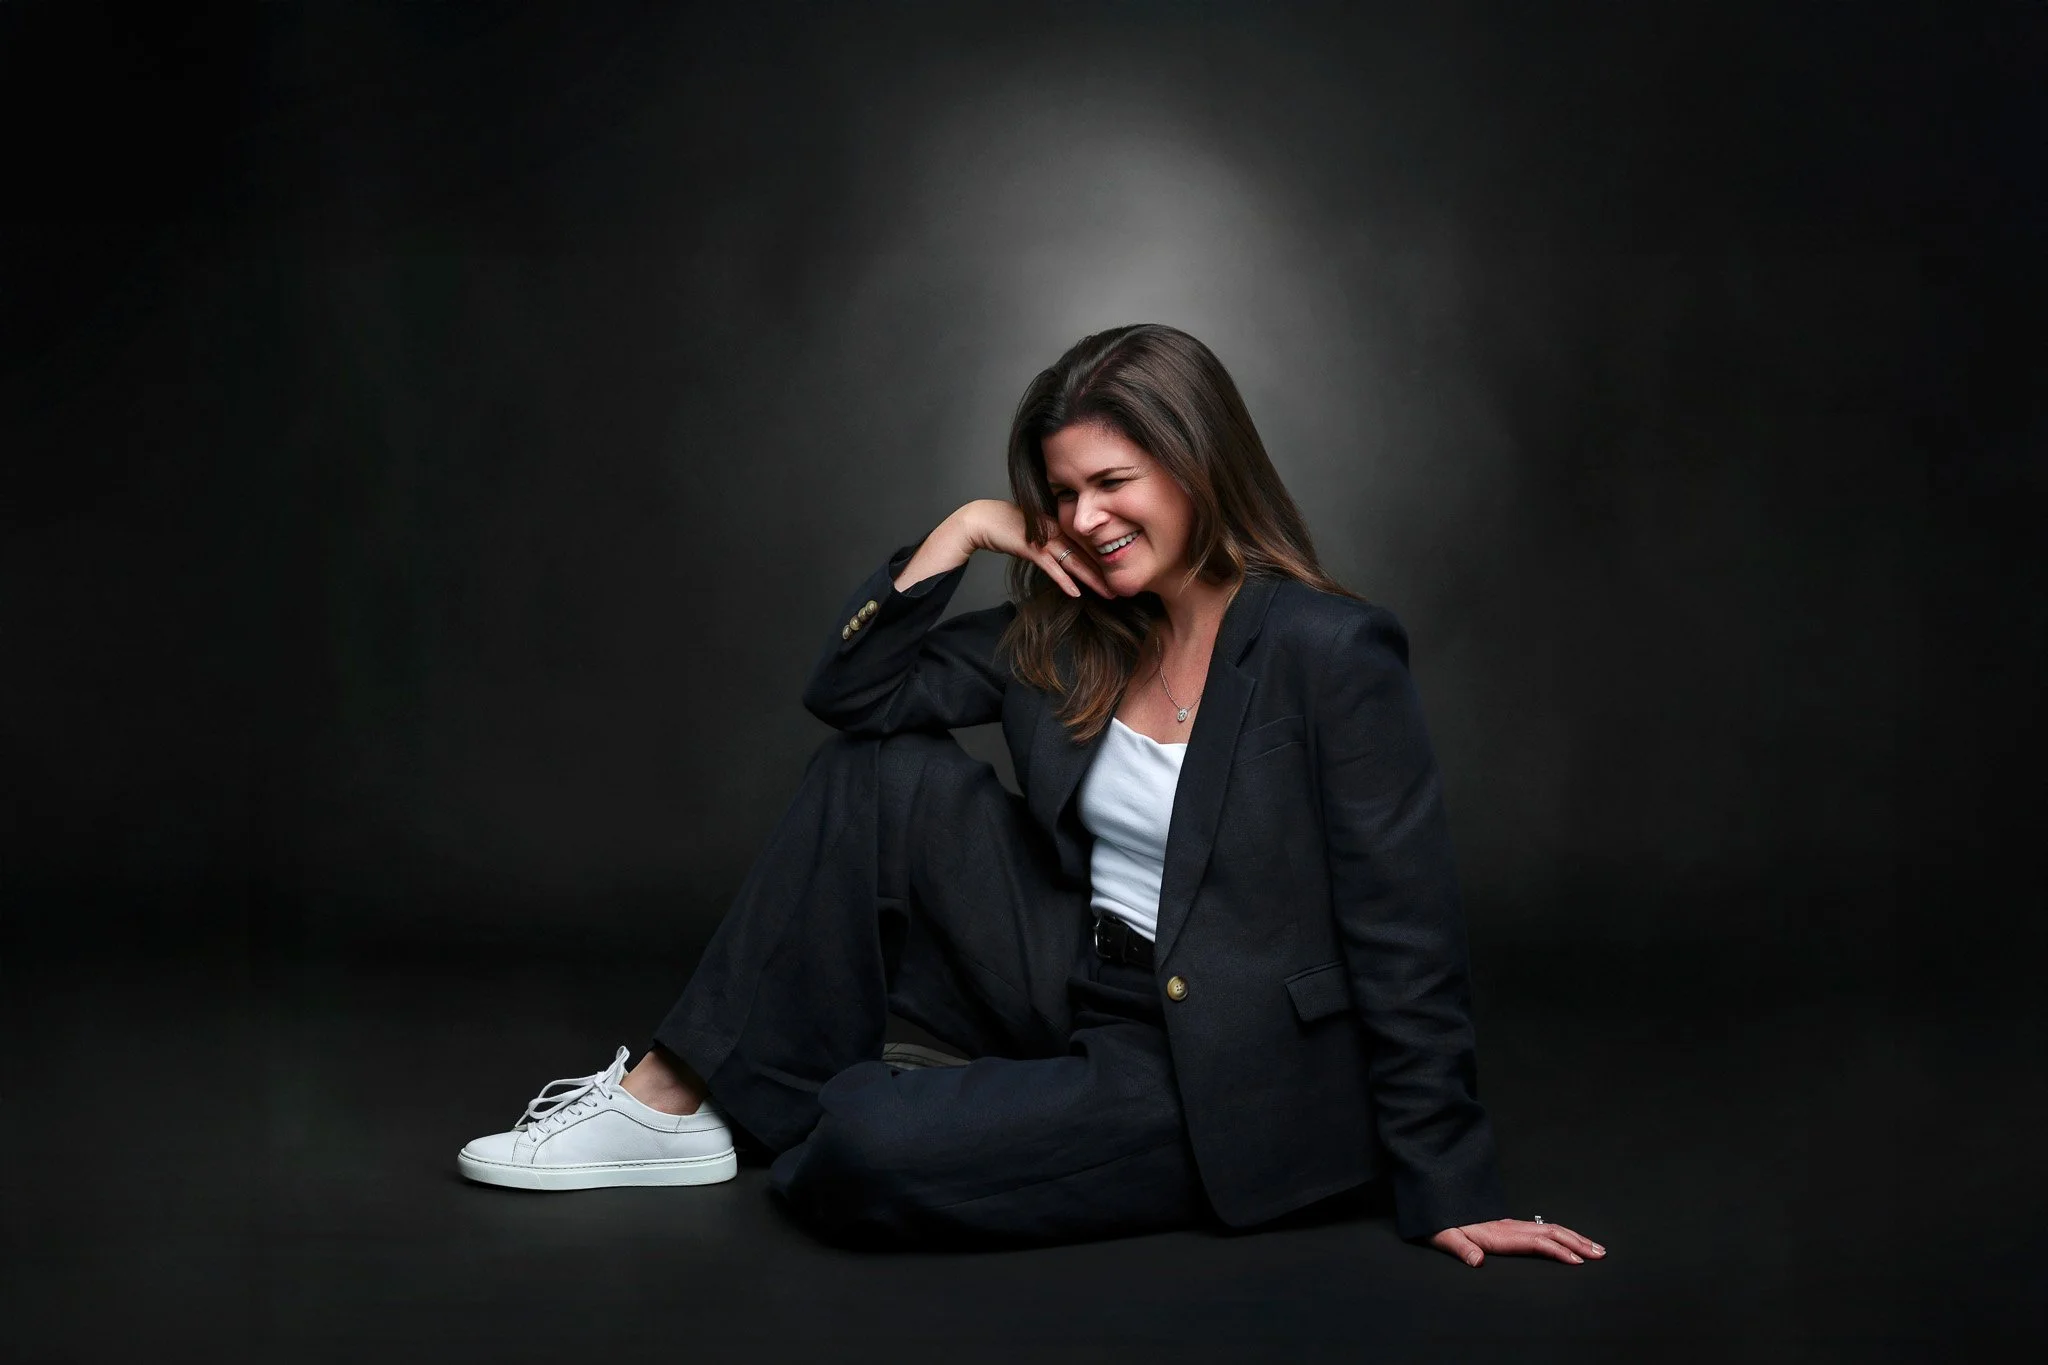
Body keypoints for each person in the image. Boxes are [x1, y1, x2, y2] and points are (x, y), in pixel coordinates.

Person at [456, 323, 1605, 1268]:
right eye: (1060, 496)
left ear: (1198, 466)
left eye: (1114, 482)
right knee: (876, 775)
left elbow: (1402, 929)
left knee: (861, 1142)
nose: (1086, 522)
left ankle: (846, 1093)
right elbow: (852, 696)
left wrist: (1448, 1180)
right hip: (1071, 974)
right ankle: (671, 1107)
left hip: (1212, 1063)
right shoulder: (1062, 631)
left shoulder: (1328, 650)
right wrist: (963, 530)